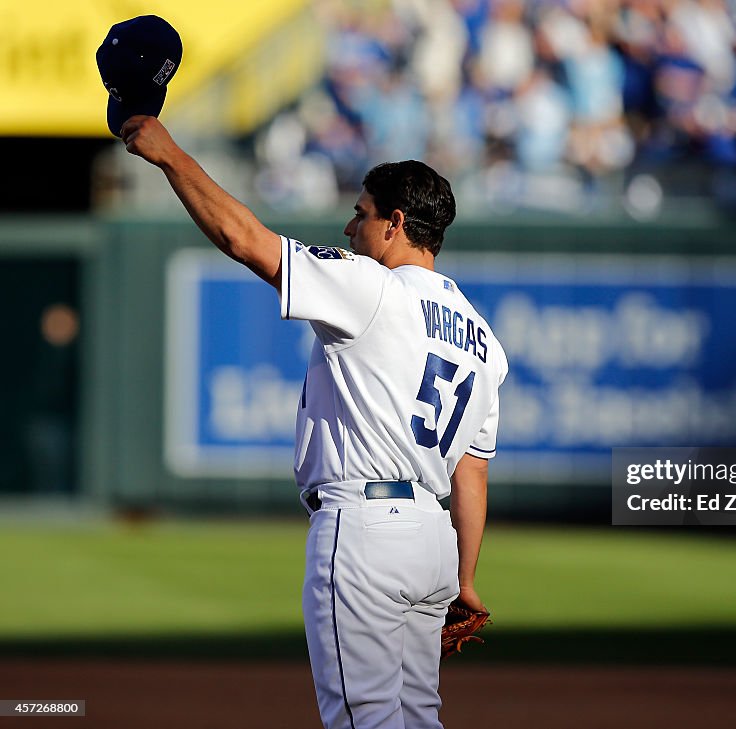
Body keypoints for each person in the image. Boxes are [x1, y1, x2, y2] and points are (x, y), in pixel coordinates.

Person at [119, 115, 507, 729]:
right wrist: (465, 578)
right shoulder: (484, 340)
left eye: (361, 212)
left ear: (395, 224)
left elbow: (245, 239)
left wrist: (169, 156)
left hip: (366, 529)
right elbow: (472, 475)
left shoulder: (374, 287)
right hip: (434, 542)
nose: (351, 227)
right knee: (417, 720)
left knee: (363, 722)